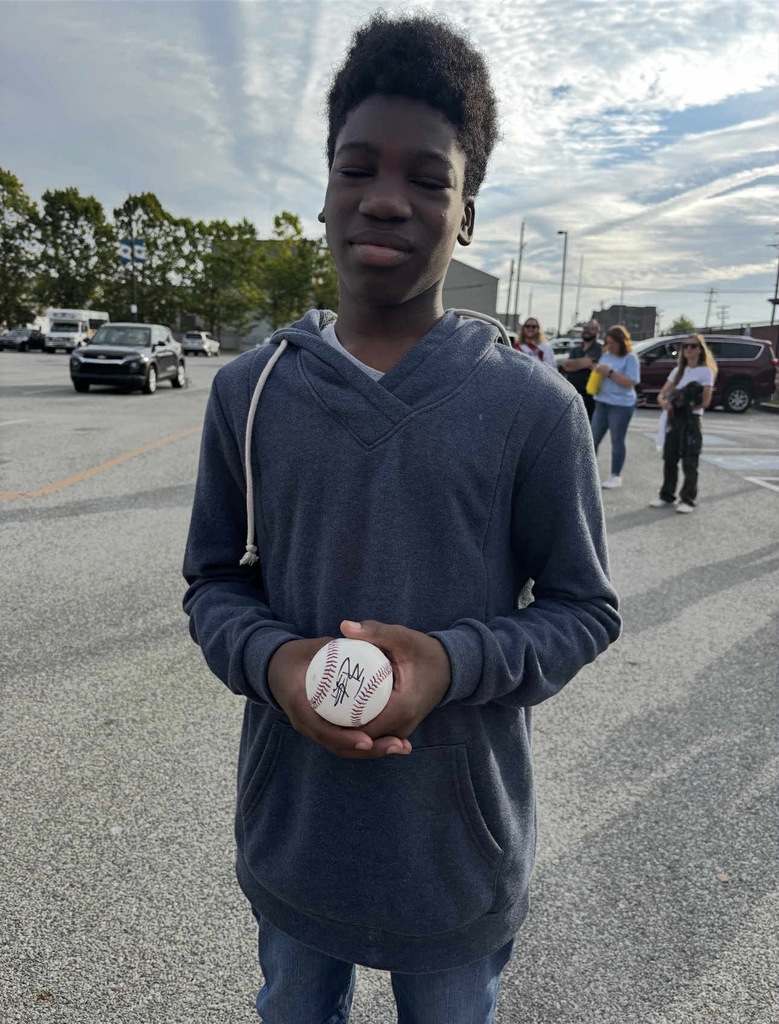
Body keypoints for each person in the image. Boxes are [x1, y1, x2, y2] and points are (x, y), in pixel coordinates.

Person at [183, 12, 620, 1023]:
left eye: (428, 178)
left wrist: (447, 662)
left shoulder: (533, 409)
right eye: (357, 168)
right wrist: (276, 664)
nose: (386, 198)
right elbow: (213, 583)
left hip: (455, 862)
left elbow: (582, 610)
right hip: (295, 844)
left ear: (465, 213)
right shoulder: (247, 394)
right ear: (326, 188)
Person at [650, 334, 717, 513]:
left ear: (700, 349)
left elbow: (705, 401)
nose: (688, 349)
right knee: (670, 457)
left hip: (691, 419)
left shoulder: (705, 371)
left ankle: (687, 499)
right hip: (674, 419)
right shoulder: (678, 370)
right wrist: (663, 401)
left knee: (690, 459)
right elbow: (662, 393)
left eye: (693, 346)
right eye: (685, 346)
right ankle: (666, 494)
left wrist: (684, 403)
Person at [589, 325, 641, 489]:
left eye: (613, 342)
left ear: (622, 342)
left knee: (617, 440)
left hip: (620, 405)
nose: (609, 345)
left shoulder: (630, 358)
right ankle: (589, 473)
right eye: (607, 342)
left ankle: (615, 475)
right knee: (592, 439)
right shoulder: (606, 355)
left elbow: (630, 382)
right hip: (602, 401)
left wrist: (610, 373)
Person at [561, 320, 603, 420]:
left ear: (597, 332)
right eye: (585, 328)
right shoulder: (576, 349)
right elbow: (566, 366)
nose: (587, 331)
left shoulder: (599, 348)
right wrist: (583, 363)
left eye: (591, 329)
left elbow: (582, 363)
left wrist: (573, 364)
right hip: (574, 393)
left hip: (591, 396)